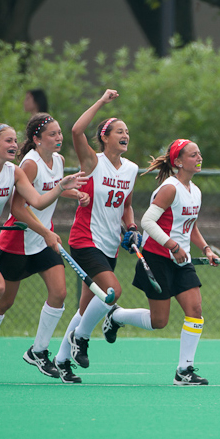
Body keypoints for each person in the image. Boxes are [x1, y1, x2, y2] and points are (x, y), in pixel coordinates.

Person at [0, 122, 87, 382]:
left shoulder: (58, 160)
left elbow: (44, 193)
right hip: (18, 240)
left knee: (59, 293)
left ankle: (39, 351)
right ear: (37, 138)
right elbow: (19, 208)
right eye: (53, 134)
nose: (59, 138)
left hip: (44, 239)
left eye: (59, 133)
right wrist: (45, 230)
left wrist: (70, 192)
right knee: (2, 301)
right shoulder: (29, 164)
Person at [102, 137, 217, 386]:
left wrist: (206, 249)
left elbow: (190, 226)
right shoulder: (170, 188)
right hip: (157, 258)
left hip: (180, 260)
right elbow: (147, 222)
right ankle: (117, 316)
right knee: (159, 322)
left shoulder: (194, 191)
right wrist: (172, 246)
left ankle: (184, 371)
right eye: (193, 155)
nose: (199, 158)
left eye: (199, 154)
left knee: (195, 310)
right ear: (178, 161)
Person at [55, 89, 144, 384]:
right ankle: (81, 339)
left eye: (127, 131)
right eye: (120, 131)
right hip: (84, 240)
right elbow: (76, 130)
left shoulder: (131, 169)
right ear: (105, 137)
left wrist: (131, 229)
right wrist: (102, 102)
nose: (125, 135)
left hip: (108, 247)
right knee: (111, 292)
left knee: (86, 308)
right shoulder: (93, 162)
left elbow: (127, 206)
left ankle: (61, 361)